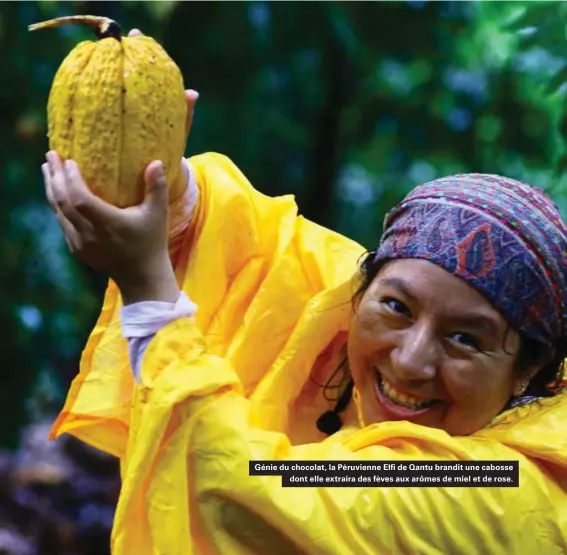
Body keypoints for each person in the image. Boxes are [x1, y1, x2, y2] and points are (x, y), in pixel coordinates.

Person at [41, 29, 567, 555]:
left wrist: (148, 292)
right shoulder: (351, 297)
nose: (410, 361)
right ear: (361, 290)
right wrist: (164, 184)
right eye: (397, 307)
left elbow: (247, 489)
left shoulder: (507, 492)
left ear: (530, 372)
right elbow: (255, 244)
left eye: (466, 340)